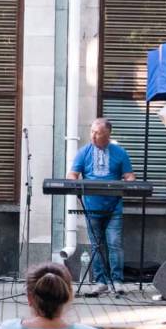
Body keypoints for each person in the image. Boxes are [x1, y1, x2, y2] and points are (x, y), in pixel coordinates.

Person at [68, 117, 136, 295]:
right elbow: (72, 174)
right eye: (92, 132)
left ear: (107, 134)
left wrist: (129, 182)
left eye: (97, 133)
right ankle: (100, 282)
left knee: (114, 244)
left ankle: (117, 281)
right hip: (92, 207)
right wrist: (74, 186)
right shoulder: (84, 152)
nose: (93, 136)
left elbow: (129, 176)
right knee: (96, 245)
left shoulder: (120, 153)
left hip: (114, 208)